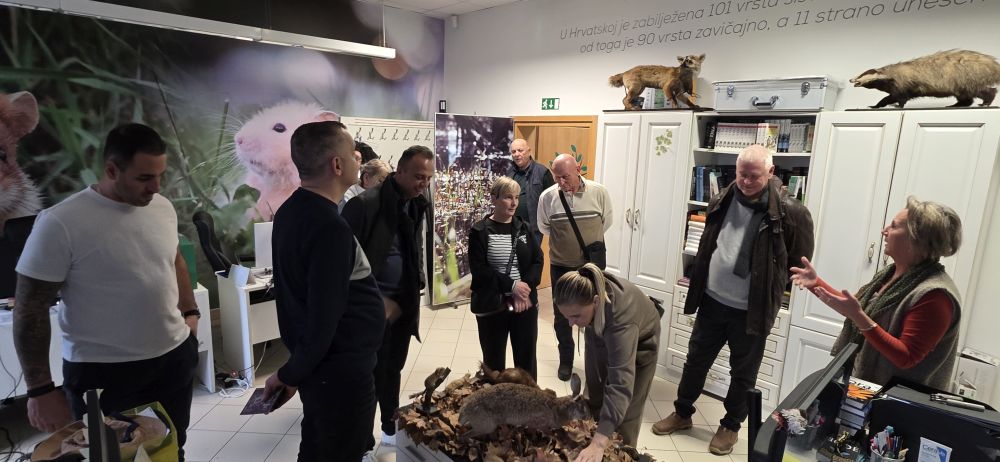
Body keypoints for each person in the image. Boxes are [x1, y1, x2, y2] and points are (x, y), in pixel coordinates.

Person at [13, 123, 199, 460]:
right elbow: (30, 307)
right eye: (144, 178)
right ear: (112, 170)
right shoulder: (60, 222)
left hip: (172, 358)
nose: (156, 187)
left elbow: (174, 261)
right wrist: (39, 389)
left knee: (170, 448)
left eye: (160, 176)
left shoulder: (162, 207)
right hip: (104, 373)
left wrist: (191, 313)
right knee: (110, 457)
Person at [652, 145, 814, 455]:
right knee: (695, 361)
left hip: (751, 311)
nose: (747, 182)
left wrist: (773, 286)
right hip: (712, 301)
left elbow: (798, 262)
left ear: (771, 172)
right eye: (742, 175)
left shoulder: (791, 212)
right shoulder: (722, 198)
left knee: (743, 374)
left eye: (755, 176)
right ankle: (682, 413)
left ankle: (730, 427)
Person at [263, 121, 385, 461]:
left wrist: (298, 367)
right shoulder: (329, 227)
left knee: (321, 444)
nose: (359, 157)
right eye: (353, 152)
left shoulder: (292, 210)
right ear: (337, 164)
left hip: (325, 366)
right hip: (339, 370)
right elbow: (323, 315)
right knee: (336, 449)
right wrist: (291, 372)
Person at [792, 196, 963, 390]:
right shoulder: (891, 273)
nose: (884, 231)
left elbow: (906, 357)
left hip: (896, 400)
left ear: (916, 239)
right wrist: (815, 283)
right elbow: (853, 308)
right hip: (866, 385)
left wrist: (859, 316)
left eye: (894, 226)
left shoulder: (935, 295)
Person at [342, 145, 433, 448]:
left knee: (392, 370)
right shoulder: (363, 205)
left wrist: (418, 278)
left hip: (403, 306)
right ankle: (362, 442)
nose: (424, 183)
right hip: (371, 310)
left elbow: (414, 245)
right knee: (368, 376)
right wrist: (372, 301)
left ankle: (389, 428)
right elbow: (343, 265)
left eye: (428, 178)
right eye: (419, 176)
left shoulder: (417, 203)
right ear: (400, 171)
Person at [553, 263, 660, 462]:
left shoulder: (621, 321)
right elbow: (596, 378)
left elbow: (620, 384)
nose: (571, 323)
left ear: (596, 301)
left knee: (625, 416)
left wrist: (600, 442)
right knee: (594, 395)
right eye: (566, 317)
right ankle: (592, 448)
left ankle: (622, 454)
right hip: (599, 321)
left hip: (640, 343)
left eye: (575, 316)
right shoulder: (586, 294)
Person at [537, 153, 613, 381]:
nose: (561, 182)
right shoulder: (548, 197)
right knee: (562, 317)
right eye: (557, 177)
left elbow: (606, 221)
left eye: (566, 177)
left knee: (595, 313)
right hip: (561, 266)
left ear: (578, 169)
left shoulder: (598, 192)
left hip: (591, 267)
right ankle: (566, 361)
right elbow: (544, 227)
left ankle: (595, 363)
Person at [468, 177, 543, 378]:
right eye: (508, 197)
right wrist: (512, 286)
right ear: (494, 198)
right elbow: (480, 270)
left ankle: (528, 397)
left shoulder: (524, 227)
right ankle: (496, 398)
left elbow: (537, 260)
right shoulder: (480, 231)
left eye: (517, 197)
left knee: (526, 362)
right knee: (493, 364)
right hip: (493, 305)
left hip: (524, 304)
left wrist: (524, 289)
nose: (514, 203)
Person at [505, 138, 555, 246]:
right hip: (512, 227)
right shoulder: (509, 173)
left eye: (520, 150)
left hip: (533, 229)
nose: (516, 154)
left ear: (529, 151)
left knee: (531, 256)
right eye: (513, 152)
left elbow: (553, 199)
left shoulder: (542, 172)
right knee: (512, 256)